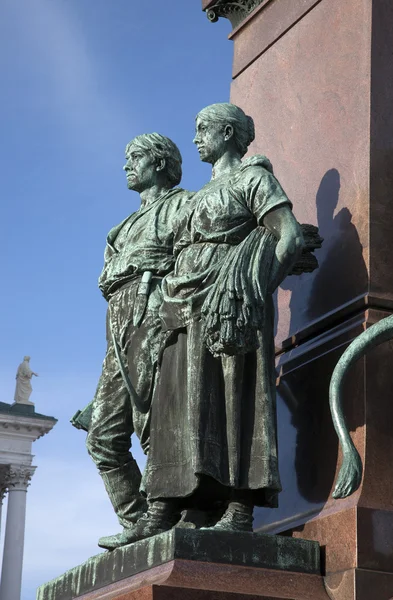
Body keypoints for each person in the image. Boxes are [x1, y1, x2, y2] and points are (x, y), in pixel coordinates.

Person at [138, 103, 304, 536]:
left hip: (226, 306)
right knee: (181, 408)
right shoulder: (194, 198)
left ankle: (239, 507)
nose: (195, 138)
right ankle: (187, 502)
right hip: (182, 304)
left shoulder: (254, 179)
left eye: (202, 129)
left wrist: (252, 290)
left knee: (235, 400)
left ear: (228, 133)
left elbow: (290, 236)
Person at [85, 133, 192, 550]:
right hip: (118, 327)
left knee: (155, 428)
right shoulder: (121, 228)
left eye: (136, 157)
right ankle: (140, 523)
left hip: (157, 319)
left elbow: (198, 255)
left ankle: (173, 513)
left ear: (162, 162)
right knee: (102, 437)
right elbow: (106, 276)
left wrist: (148, 266)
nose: (127, 165)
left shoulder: (183, 205)